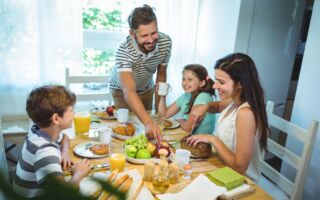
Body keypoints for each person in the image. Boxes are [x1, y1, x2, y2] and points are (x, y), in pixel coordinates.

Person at [187, 53, 270, 181]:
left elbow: (240, 167)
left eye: (221, 82)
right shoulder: (235, 100)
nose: (215, 86)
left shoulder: (246, 113)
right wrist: (206, 106)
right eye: (216, 80)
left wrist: (213, 139)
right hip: (223, 168)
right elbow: (218, 105)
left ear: (240, 84)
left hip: (239, 180)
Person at [13, 85, 91, 198]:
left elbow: (64, 137)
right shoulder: (46, 152)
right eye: (71, 110)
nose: (74, 114)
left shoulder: (38, 129)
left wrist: (64, 152)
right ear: (56, 118)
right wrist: (79, 173)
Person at [109, 4, 172, 141]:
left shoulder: (166, 42)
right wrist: (149, 122)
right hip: (121, 91)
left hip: (146, 87)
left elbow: (161, 74)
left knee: (148, 132)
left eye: (154, 33)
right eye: (144, 35)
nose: (150, 40)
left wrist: (158, 116)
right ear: (132, 34)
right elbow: (129, 91)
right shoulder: (123, 50)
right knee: (126, 132)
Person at [158, 64, 216, 134]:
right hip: (187, 137)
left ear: (202, 83)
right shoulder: (186, 95)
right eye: (183, 79)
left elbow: (188, 127)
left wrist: (178, 120)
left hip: (200, 143)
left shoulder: (203, 97)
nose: (185, 83)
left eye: (190, 79)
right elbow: (164, 115)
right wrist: (163, 96)